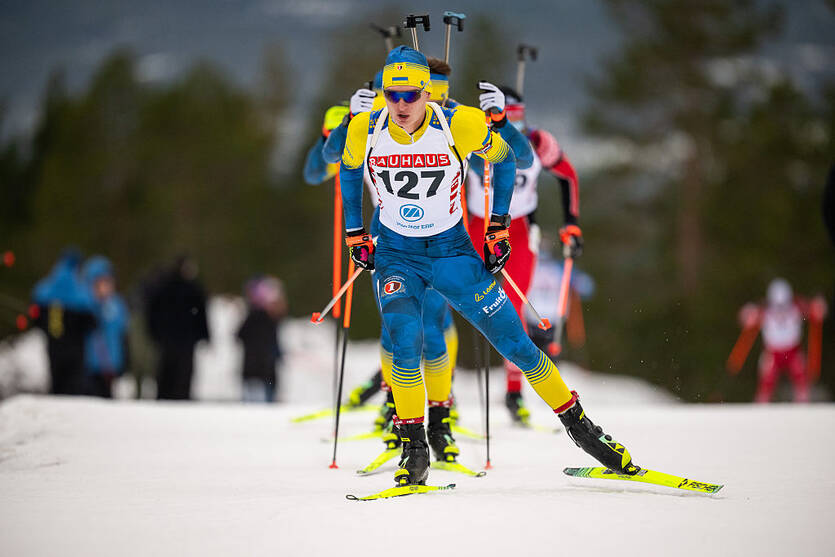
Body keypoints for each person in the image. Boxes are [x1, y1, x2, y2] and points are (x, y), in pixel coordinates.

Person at [340, 46, 638, 486]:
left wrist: (498, 225)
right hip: (397, 255)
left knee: (515, 344)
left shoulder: (457, 123)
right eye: (391, 94)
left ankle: (583, 430)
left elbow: (508, 160)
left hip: (452, 253)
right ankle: (414, 449)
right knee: (404, 343)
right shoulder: (367, 126)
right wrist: (355, 232)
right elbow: (348, 170)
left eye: (409, 94)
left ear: (427, 92)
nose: (400, 105)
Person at [466, 85, 583, 425]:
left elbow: (568, 175)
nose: (509, 120)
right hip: (478, 226)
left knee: (514, 306)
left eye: (515, 113)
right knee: (462, 299)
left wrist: (571, 224)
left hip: (517, 229)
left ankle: (514, 390)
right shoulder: (473, 137)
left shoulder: (537, 141)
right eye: (501, 114)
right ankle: (439, 396)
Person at [730, 278, 827, 402]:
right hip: (773, 352)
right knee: (766, 380)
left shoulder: (797, 306)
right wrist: (747, 314)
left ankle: (803, 403)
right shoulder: (764, 309)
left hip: (793, 351)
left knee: (801, 377)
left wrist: (819, 307)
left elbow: (814, 310)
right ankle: (761, 405)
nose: (781, 309)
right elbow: (745, 317)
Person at [31, 248, 97, 395]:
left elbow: (35, 317)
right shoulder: (81, 291)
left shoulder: (46, 288)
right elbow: (91, 323)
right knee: (73, 387)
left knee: (57, 382)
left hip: (54, 345)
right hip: (75, 349)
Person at [145, 255, 210, 400]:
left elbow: (152, 314)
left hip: (174, 341)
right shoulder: (188, 289)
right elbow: (201, 315)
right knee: (177, 377)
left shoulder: (165, 288)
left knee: (173, 376)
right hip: (179, 341)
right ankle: (176, 399)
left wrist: (155, 334)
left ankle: (170, 399)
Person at [81, 256, 130, 398]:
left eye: (107, 282)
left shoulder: (117, 305)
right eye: (100, 283)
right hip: (89, 368)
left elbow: (122, 334)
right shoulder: (84, 305)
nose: (105, 287)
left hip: (110, 367)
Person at [237, 276, 287, 402]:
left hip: (255, 367)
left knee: (254, 397)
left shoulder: (255, 316)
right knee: (262, 398)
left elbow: (240, 335)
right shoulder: (268, 319)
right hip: (264, 367)